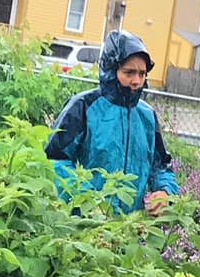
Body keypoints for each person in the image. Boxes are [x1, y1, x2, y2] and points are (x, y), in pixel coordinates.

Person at [45, 30, 180, 213]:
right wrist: (87, 201)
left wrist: (165, 192)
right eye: (129, 72)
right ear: (110, 71)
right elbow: (56, 159)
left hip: (131, 227)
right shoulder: (85, 107)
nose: (137, 81)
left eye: (142, 74)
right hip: (85, 223)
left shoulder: (146, 115)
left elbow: (160, 166)